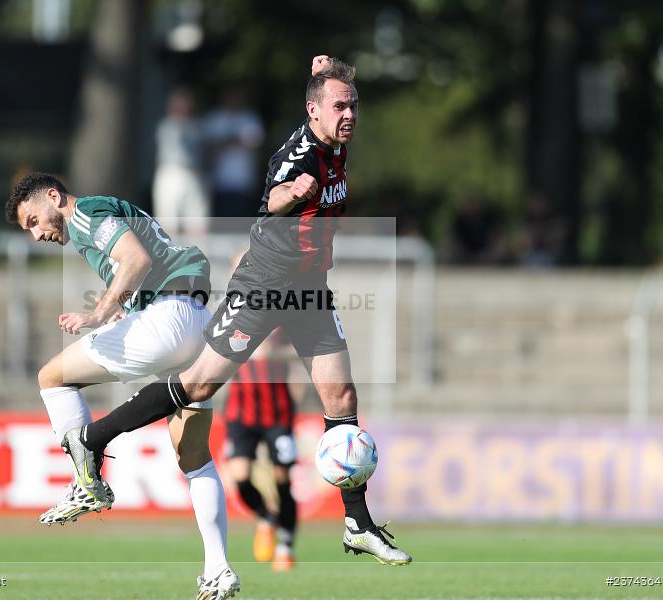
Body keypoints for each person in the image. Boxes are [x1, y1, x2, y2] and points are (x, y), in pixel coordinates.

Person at [66, 55, 414, 568]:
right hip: (264, 285)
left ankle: (356, 523)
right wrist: (291, 195)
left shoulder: (335, 145)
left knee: (341, 394)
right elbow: (273, 194)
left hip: (309, 289)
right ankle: (93, 439)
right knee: (199, 386)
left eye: (353, 106)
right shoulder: (300, 154)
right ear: (313, 111)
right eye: (340, 106)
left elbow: (331, 81)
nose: (350, 114)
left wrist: (332, 67)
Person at [3, 172, 240, 600]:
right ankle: (218, 569)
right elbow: (142, 263)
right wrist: (121, 311)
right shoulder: (93, 225)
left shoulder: (87, 213)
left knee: (52, 377)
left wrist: (98, 315)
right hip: (196, 320)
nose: (36, 234)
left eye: (34, 220)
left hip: (171, 318)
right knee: (195, 459)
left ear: (54, 197)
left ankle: (86, 476)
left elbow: (136, 260)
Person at [224, 327, 299, 571]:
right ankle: (266, 517)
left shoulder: (285, 320)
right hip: (240, 413)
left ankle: (285, 548)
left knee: (283, 482)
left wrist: (274, 353)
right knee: (240, 477)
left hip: (278, 414)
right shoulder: (232, 316)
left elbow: (303, 352)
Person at [202, 88, 264, 228]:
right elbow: (207, 150)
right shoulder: (214, 119)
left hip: (244, 183)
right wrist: (237, 140)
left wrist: (223, 142)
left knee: (242, 228)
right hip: (220, 184)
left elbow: (254, 145)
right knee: (222, 228)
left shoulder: (250, 118)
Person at [152, 87, 209, 236]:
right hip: (171, 172)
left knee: (196, 222)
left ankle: (197, 256)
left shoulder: (195, 126)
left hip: (193, 174)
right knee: (169, 221)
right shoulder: (167, 126)